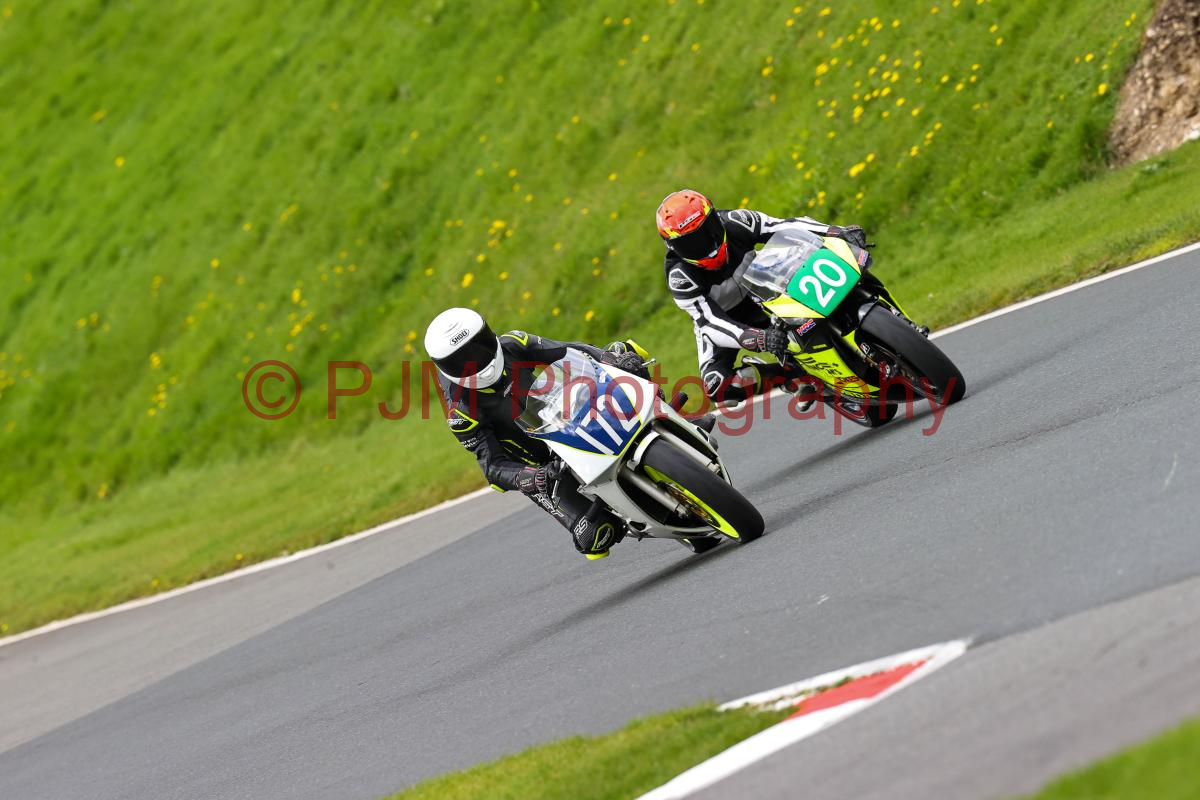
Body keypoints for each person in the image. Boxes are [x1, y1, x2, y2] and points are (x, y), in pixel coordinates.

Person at [424, 307, 654, 560]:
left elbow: (570, 350)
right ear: (445, 367)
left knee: (625, 355)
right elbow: (492, 467)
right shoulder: (461, 413)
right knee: (595, 535)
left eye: (479, 346)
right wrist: (527, 477)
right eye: (462, 360)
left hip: (567, 415)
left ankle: (676, 419)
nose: (477, 360)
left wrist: (609, 359)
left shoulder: (513, 343)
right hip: (545, 465)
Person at [656, 189, 870, 407]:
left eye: (709, 231)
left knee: (828, 274)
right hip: (725, 318)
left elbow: (783, 225)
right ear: (673, 248)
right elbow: (709, 321)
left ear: (716, 219)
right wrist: (755, 337)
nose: (708, 245)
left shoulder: (736, 221)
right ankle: (791, 376)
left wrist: (836, 232)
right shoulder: (679, 276)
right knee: (717, 386)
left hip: (762, 285)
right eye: (692, 244)